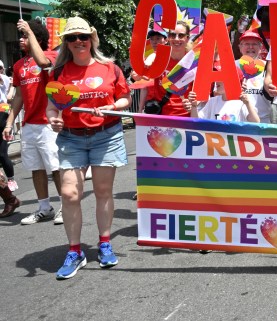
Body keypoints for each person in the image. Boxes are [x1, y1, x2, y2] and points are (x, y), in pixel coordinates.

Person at [45, 17, 131, 280]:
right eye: (72, 38)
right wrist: (53, 119)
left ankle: (104, 243)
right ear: (66, 44)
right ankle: (75, 251)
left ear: (92, 39)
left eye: (83, 36)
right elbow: (51, 107)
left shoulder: (110, 69)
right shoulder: (58, 74)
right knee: (70, 194)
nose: (78, 41)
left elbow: (125, 98)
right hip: (71, 138)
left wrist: (112, 107)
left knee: (103, 191)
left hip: (106, 135)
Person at [2, 19, 63, 225]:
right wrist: (10, 123)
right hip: (29, 124)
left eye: (24, 36)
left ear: (36, 38)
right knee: (36, 168)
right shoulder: (19, 65)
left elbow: (44, 64)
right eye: (21, 36)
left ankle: (66, 206)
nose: (20, 39)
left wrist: (29, 31)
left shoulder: (52, 56)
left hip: (48, 122)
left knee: (55, 167)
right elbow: (18, 96)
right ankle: (44, 207)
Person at [141, 21, 193, 116]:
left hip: (186, 118)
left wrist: (193, 105)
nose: (176, 39)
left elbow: (201, 94)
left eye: (181, 35)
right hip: (162, 117)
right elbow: (139, 78)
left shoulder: (193, 61)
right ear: (168, 37)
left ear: (187, 38)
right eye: (173, 35)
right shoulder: (159, 57)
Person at [238, 30, 272, 123]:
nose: (251, 47)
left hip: (264, 121)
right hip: (237, 120)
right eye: (246, 44)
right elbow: (218, 93)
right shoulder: (231, 66)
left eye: (255, 44)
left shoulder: (268, 67)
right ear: (240, 47)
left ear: (261, 48)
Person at [185, 81, 260, 123]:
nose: (217, 81)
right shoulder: (213, 101)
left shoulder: (242, 102)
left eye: (221, 78)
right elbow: (196, 122)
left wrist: (247, 103)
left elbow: (256, 122)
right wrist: (194, 106)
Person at [0, 59, 16, 192]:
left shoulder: (5, 80)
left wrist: (11, 87)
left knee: (2, 153)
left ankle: (11, 179)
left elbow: (8, 99)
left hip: (3, 119)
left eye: (1, 68)